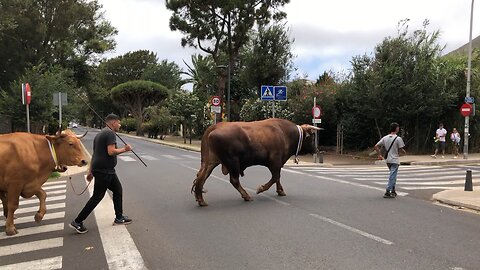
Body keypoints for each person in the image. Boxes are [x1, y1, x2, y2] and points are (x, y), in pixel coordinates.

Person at [70, 113, 133, 234]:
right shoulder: (110, 133)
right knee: (97, 197)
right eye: (118, 123)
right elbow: (111, 151)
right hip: (105, 171)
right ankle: (77, 221)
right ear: (113, 123)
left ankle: (119, 218)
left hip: (105, 170)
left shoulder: (100, 134)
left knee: (118, 190)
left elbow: (95, 155)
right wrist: (125, 149)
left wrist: (90, 171)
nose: (119, 125)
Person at [374, 122, 406, 198]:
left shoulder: (385, 138)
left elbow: (376, 146)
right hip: (395, 160)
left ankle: (393, 190)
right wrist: (404, 152)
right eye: (398, 127)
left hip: (388, 160)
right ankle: (388, 191)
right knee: (392, 176)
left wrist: (379, 155)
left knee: (393, 175)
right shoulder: (398, 138)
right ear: (396, 128)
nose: (398, 129)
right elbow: (401, 149)